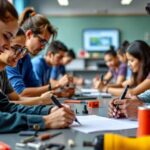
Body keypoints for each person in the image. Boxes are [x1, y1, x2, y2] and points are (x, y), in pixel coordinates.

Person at [0, 1, 75, 133]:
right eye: (6, 36)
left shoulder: (5, 69)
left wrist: (48, 110)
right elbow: (19, 95)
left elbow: (7, 107)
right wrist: (46, 120)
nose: (7, 45)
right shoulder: (21, 62)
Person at [6, 7, 65, 97]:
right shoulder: (10, 57)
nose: (44, 47)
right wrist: (53, 86)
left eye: (45, 43)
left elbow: (35, 86)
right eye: (42, 41)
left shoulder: (26, 58)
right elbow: (19, 92)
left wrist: (60, 94)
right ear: (29, 34)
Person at [0, 28, 53, 106]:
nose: (20, 55)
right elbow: (5, 106)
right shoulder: (38, 62)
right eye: (16, 48)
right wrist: (40, 100)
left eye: (22, 50)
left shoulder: (3, 71)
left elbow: (16, 98)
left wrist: (42, 99)